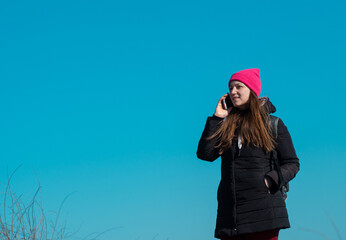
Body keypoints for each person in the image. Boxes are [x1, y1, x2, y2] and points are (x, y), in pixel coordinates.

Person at [196, 68, 299, 240]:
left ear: (251, 90)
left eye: (238, 87)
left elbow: (292, 163)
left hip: (264, 212)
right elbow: (206, 154)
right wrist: (216, 119)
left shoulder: (272, 124)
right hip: (231, 216)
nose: (233, 92)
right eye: (230, 88)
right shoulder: (227, 126)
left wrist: (269, 181)